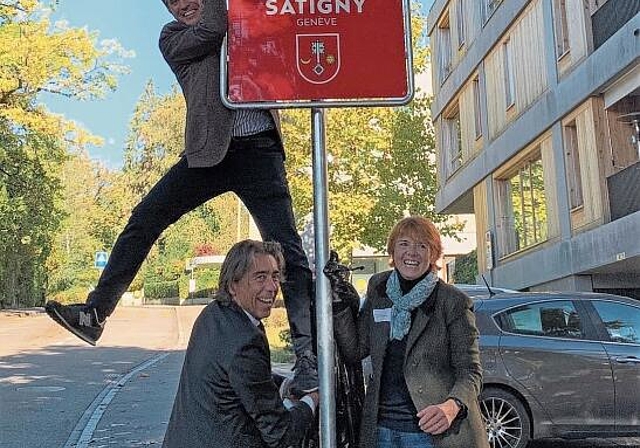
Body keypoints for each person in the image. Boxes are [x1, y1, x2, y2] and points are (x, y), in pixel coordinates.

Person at [45, 0, 317, 394]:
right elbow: (213, 28)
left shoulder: (248, 16)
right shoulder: (173, 37)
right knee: (145, 218)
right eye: (172, 1)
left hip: (259, 147)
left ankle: (308, 358)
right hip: (207, 154)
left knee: (289, 252)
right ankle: (95, 312)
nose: (182, 5)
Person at [329, 216, 489, 448]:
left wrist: (451, 406)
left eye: (422, 246)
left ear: (433, 255)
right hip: (381, 431)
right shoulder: (379, 289)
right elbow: (355, 350)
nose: (411, 253)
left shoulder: (453, 302)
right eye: (404, 244)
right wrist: (339, 301)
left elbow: (471, 371)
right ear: (392, 251)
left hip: (432, 435)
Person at [163, 239, 319, 448]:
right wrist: (313, 400)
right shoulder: (245, 340)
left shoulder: (212, 315)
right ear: (233, 285)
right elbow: (280, 433)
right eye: (260, 277)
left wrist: (284, 384)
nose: (272, 287)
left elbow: (237, 375)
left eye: (275, 276)